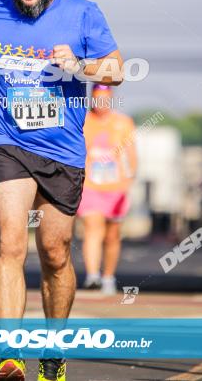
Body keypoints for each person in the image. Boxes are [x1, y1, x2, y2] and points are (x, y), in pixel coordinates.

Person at [0, 0, 123, 381]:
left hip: (62, 149)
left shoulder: (84, 13)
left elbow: (117, 70)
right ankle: (11, 356)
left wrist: (78, 66)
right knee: (9, 244)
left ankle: (53, 348)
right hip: (6, 141)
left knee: (54, 252)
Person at [77, 84, 136, 295]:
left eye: (105, 99)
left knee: (112, 235)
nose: (101, 104)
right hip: (90, 186)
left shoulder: (123, 123)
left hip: (116, 188)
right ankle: (93, 276)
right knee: (93, 228)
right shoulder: (83, 121)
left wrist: (128, 181)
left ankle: (108, 276)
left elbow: (131, 155)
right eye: (97, 98)